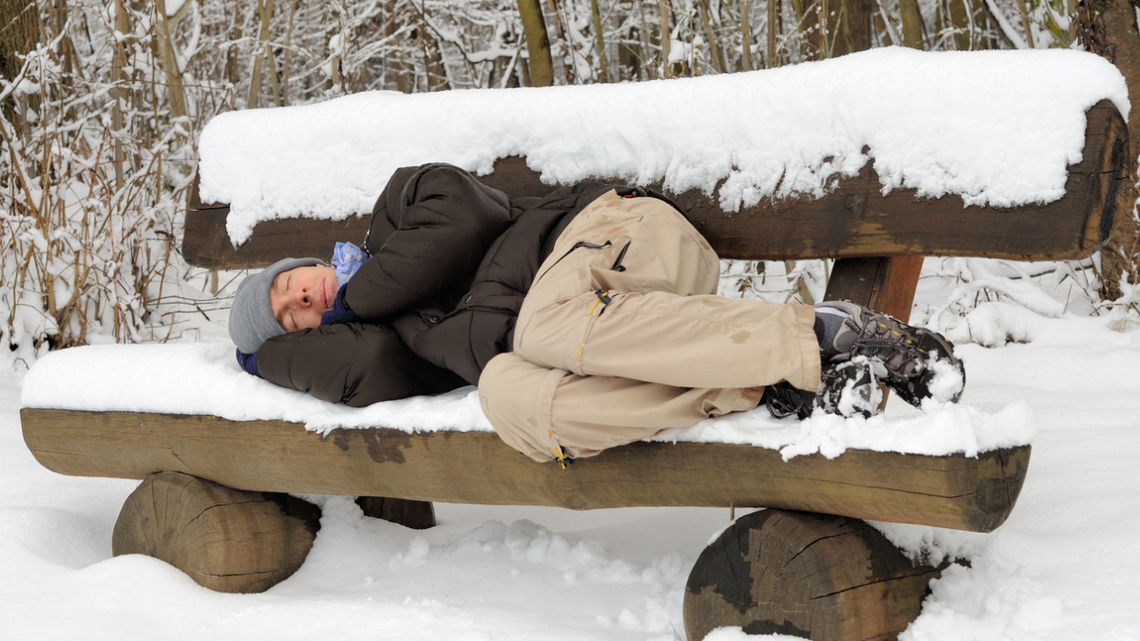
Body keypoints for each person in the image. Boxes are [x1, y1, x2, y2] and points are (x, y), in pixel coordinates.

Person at [228, 163, 965, 464]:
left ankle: (816, 332)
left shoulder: (396, 210)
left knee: (538, 330)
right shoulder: (394, 336)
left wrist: (354, 298)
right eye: (290, 321)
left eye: (288, 287)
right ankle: (760, 383)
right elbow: (364, 368)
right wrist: (262, 356)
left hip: (620, 237)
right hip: (622, 335)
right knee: (512, 400)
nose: (300, 302)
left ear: (304, 263)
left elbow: (456, 222)